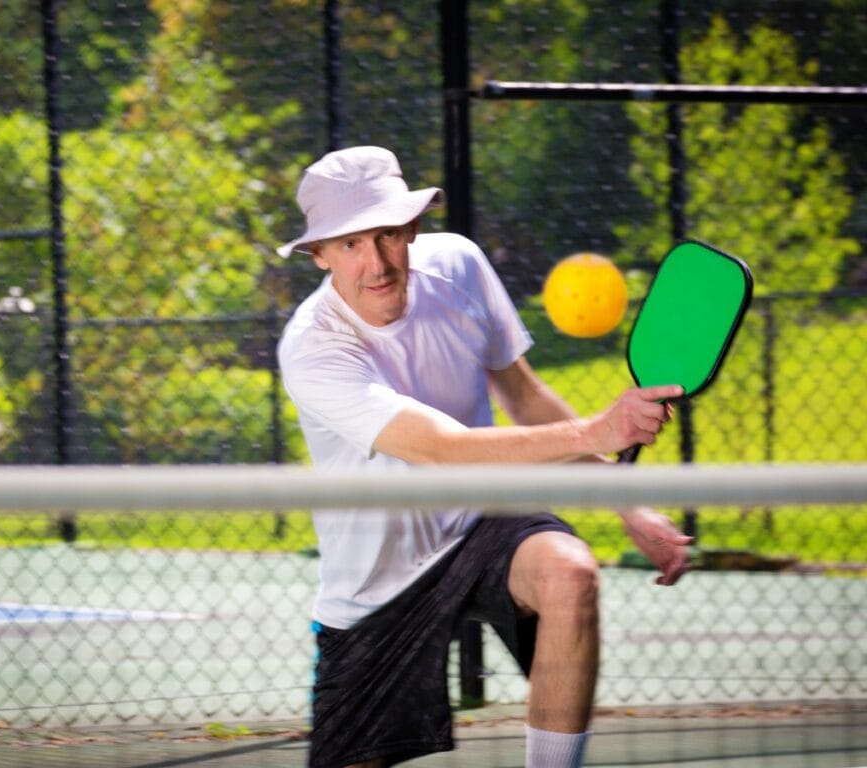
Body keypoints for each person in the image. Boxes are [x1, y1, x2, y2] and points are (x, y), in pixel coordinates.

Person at [276, 145, 691, 768]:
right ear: (319, 255)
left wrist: (629, 506)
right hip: (377, 573)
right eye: (351, 245)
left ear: (412, 227)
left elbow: (523, 397)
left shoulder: (460, 266)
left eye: (388, 234)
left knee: (570, 574)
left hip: (486, 519)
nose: (378, 262)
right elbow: (443, 450)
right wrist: (596, 433)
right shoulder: (314, 349)